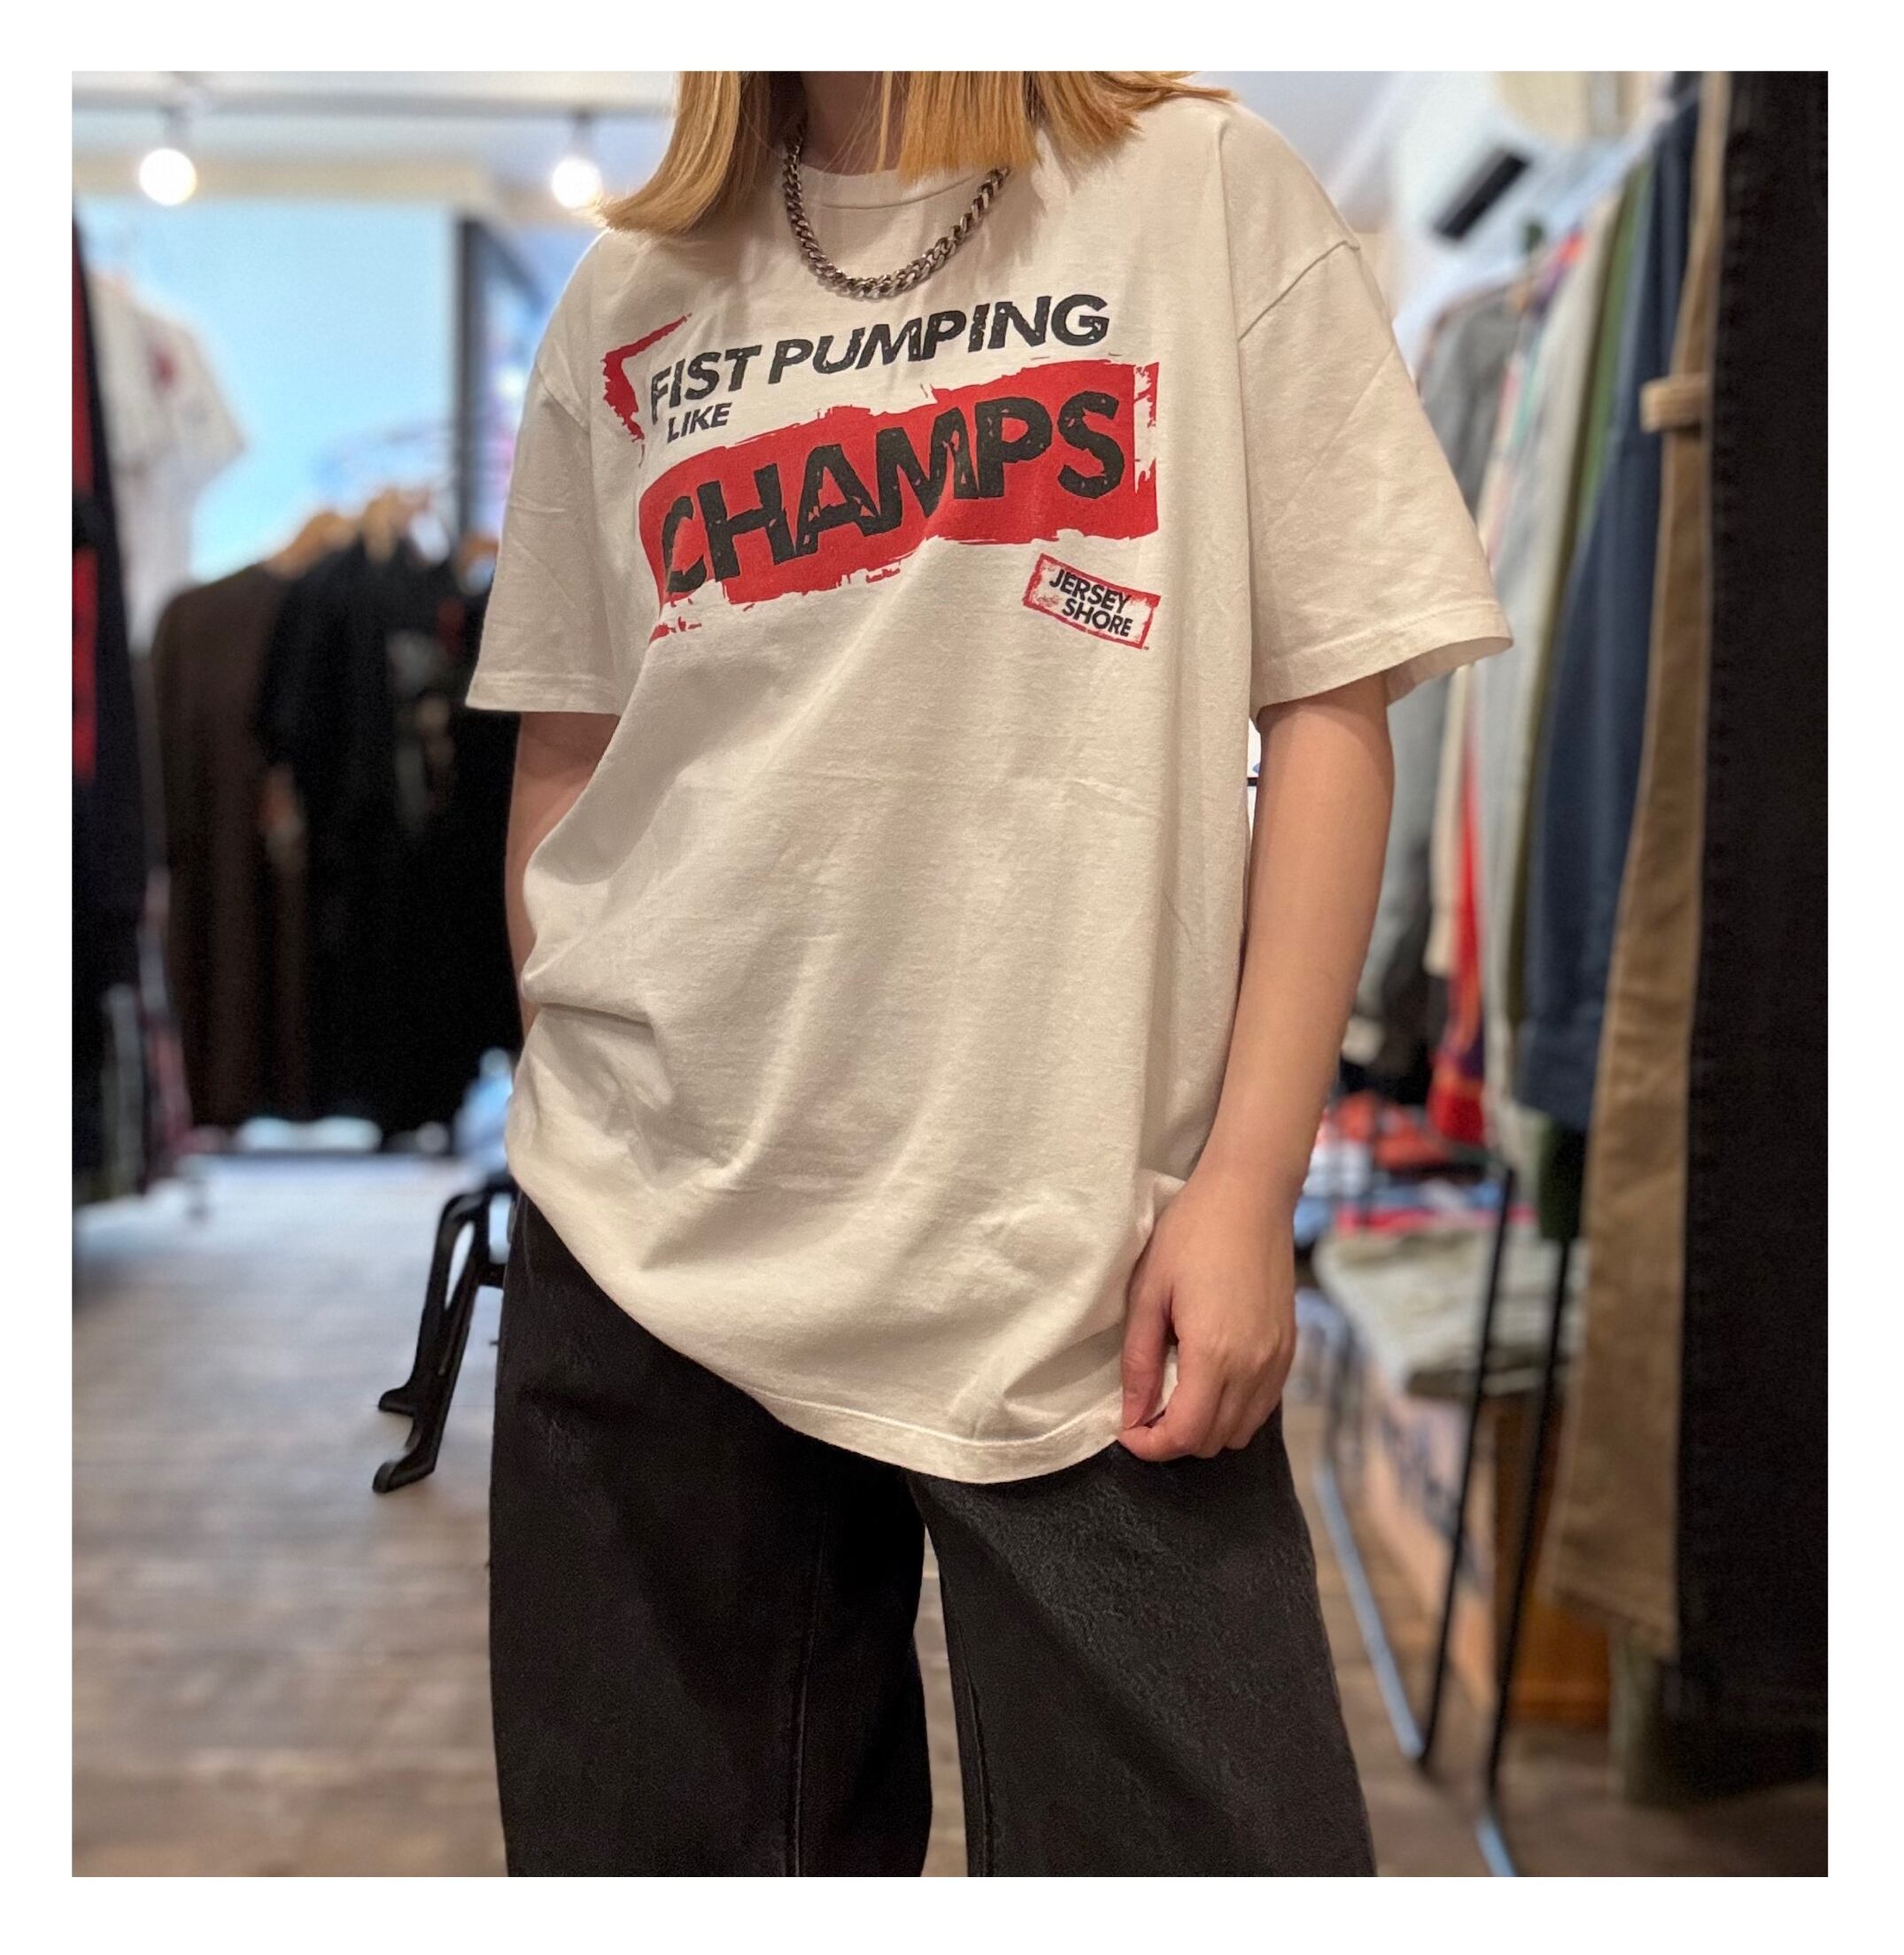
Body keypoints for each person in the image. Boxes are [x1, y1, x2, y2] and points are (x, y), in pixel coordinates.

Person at [468, 70, 1509, 1877]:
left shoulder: (1197, 189)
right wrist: (576, 1090)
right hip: (649, 1242)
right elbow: (569, 748)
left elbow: (1331, 702)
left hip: (1083, 1251)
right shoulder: (631, 290)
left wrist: (1248, 1184)